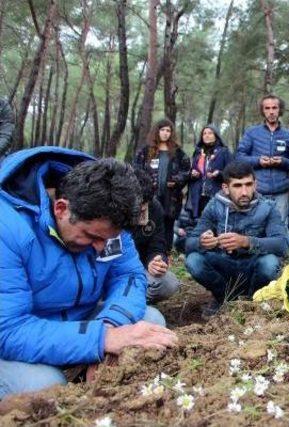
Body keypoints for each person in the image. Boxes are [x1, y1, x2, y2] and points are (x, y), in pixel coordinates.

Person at [0, 147, 178, 398]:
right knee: (46, 387)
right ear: (61, 209)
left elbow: (128, 276)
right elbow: (8, 330)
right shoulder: (7, 226)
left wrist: (111, 326)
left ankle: (83, 369)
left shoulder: (109, 215)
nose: (100, 247)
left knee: (152, 320)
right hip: (18, 332)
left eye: (109, 239)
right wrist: (100, 340)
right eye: (92, 236)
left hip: (78, 321)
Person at [185, 161, 287, 317]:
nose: (244, 192)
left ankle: (252, 300)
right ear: (226, 188)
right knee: (193, 260)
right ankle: (224, 298)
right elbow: (189, 243)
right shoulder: (214, 206)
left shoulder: (268, 207)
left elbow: (281, 245)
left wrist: (247, 242)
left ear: (255, 184)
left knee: (270, 263)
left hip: (254, 268)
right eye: (238, 186)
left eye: (248, 184)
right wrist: (202, 242)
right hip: (224, 266)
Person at [236, 95, 289, 221]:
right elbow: (239, 157)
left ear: (280, 110)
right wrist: (258, 161)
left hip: (281, 191)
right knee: (257, 227)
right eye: (267, 108)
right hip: (258, 190)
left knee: (279, 227)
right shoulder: (252, 132)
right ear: (263, 111)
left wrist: (282, 162)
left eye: (274, 108)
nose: (271, 112)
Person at [134, 118, 190, 253]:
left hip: (170, 197)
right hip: (149, 195)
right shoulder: (146, 150)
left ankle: (165, 253)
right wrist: (146, 183)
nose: (165, 133)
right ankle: (143, 253)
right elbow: (136, 169)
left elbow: (186, 170)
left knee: (167, 225)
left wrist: (176, 180)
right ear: (157, 131)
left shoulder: (178, 152)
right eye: (162, 130)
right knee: (146, 223)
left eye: (168, 130)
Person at [133, 169, 181, 303]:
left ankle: (134, 302)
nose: (141, 213)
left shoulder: (155, 208)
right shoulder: (108, 212)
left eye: (144, 207)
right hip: (112, 273)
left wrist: (155, 262)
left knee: (169, 283)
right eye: (135, 209)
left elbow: (158, 245)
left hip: (140, 269)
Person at [187, 123, 232, 217]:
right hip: (198, 196)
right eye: (204, 133)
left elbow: (232, 173)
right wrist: (192, 173)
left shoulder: (224, 152)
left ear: (216, 135)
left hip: (216, 194)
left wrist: (219, 173)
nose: (207, 135)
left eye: (210, 133)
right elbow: (191, 170)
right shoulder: (198, 152)